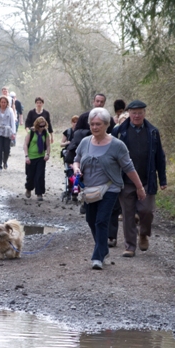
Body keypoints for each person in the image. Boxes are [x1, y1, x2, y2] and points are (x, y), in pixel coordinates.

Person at [72, 108, 146, 270]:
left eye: (98, 124)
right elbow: (76, 160)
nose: (94, 127)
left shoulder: (117, 145)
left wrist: (139, 187)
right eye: (92, 124)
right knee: (90, 220)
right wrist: (76, 169)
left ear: (106, 125)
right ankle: (103, 248)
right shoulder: (85, 142)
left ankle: (97, 257)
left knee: (101, 220)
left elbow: (129, 167)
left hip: (110, 189)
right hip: (90, 190)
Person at [112, 100, 167, 258]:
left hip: (146, 179)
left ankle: (143, 233)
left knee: (146, 211)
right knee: (128, 214)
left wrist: (162, 179)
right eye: (134, 112)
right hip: (125, 180)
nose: (137, 115)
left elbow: (159, 157)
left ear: (144, 113)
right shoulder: (119, 131)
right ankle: (130, 246)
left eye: (140, 112)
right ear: (128, 113)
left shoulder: (153, 132)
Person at [23, 116, 51, 201]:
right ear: (37, 125)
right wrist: (26, 156)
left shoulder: (45, 133)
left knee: (40, 176)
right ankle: (28, 188)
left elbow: (48, 145)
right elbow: (25, 144)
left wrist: (48, 154)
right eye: (40, 126)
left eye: (43, 126)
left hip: (41, 157)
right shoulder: (31, 132)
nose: (42, 128)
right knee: (30, 176)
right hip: (31, 157)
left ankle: (39, 193)